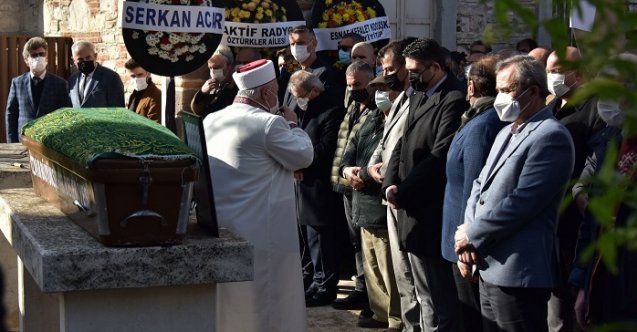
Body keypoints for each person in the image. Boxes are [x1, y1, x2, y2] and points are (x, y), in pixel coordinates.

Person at [455, 55, 575, 332]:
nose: (500, 98)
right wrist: (469, 235)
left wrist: (472, 234)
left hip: (517, 271)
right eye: (497, 91)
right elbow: (479, 186)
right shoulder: (507, 131)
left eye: (507, 91)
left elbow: (523, 202)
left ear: (532, 91)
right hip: (486, 263)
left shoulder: (550, 136)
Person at [203, 59, 313, 332]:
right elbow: (304, 156)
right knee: (267, 302)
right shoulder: (269, 124)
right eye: (276, 89)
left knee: (230, 302)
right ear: (266, 93)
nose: (278, 95)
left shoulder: (212, 119)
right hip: (263, 230)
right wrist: (293, 125)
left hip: (222, 225)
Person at [382, 38, 467, 331]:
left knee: (439, 295)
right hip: (407, 204)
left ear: (435, 66)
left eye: (416, 71)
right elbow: (401, 144)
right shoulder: (417, 94)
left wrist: (403, 192)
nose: (410, 77)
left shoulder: (454, 98)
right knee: (422, 290)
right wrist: (390, 184)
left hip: (431, 208)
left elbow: (439, 154)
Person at [545, 46, 611, 332]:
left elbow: (596, 162)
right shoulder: (551, 107)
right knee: (553, 301)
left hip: (575, 223)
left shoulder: (595, 109)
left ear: (579, 74)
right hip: (549, 221)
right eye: (548, 71)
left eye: (557, 71)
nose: (552, 77)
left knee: (573, 303)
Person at [441, 55, 506, 332]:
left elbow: (474, 188)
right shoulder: (477, 119)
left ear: (471, 87)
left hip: (466, 241)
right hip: (460, 237)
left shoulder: (483, 125)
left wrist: (466, 243)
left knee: (471, 319)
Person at [366, 39, 421, 332]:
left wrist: (389, 175)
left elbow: (407, 147)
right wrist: (372, 165)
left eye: (390, 69)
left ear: (404, 68)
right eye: (383, 68)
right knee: (400, 268)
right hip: (387, 190)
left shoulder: (417, 100)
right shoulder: (398, 99)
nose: (386, 75)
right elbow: (386, 140)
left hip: (403, 192)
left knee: (411, 270)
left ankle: (414, 324)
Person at [340, 75, 402, 331]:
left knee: (390, 269)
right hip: (361, 203)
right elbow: (349, 151)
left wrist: (363, 174)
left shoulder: (398, 122)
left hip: (381, 204)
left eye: (384, 89)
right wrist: (348, 172)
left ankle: (395, 318)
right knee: (373, 266)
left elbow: (386, 166)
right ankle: (379, 312)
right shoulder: (370, 120)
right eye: (376, 89)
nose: (379, 94)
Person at [285, 70, 345, 307]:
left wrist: (300, 163)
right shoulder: (302, 109)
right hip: (301, 186)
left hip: (319, 187)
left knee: (321, 241)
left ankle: (325, 286)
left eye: (300, 95)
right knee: (306, 239)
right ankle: (311, 280)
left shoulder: (331, 110)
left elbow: (325, 148)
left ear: (315, 91)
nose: (297, 100)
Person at [330, 61, 377, 312]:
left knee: (366, 241)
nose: (353, 89)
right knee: (355, 240)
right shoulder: (353, 105)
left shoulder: (379, 108)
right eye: (350, 86)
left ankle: (371, 293)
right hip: (346, 182)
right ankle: (361, 287)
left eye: (358, 84)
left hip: (364, 183)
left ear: (371, 80)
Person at [5, 36, 71, 142]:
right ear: (27, 60)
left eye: (42, 54)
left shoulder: (60, 84)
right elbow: (11, 114)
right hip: (24, 140)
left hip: (50, 141)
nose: (38, 58)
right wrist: (11, 142)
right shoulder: (18, 83)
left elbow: (65, 115)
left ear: (47, 58)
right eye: (34, 55)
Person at [283, 25, 342, 110]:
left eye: (300, 43)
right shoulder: (294, 74)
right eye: (292, 44)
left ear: (314, 43)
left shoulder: (324, 74)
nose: (295, 47)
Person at [68, 40, 125, 108]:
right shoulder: (73, 80)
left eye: (88, 57)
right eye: (80, 59)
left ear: (95, 56)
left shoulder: (111, 77)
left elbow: (118, 109)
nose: (85, 61)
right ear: (74, 60)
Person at [190, 45, 237, 117]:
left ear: (229, 66)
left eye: (217, 67)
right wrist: (202, 93)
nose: (213, 71)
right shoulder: (213, 85)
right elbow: (197, 111)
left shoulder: (236, 87)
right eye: (210, 68)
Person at [124, 58, 161, 123]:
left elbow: (155, 126)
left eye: (139, 75)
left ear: (148, 73)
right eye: (133, 76)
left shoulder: (155, 95)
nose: (136, 79)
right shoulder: (134, 94)